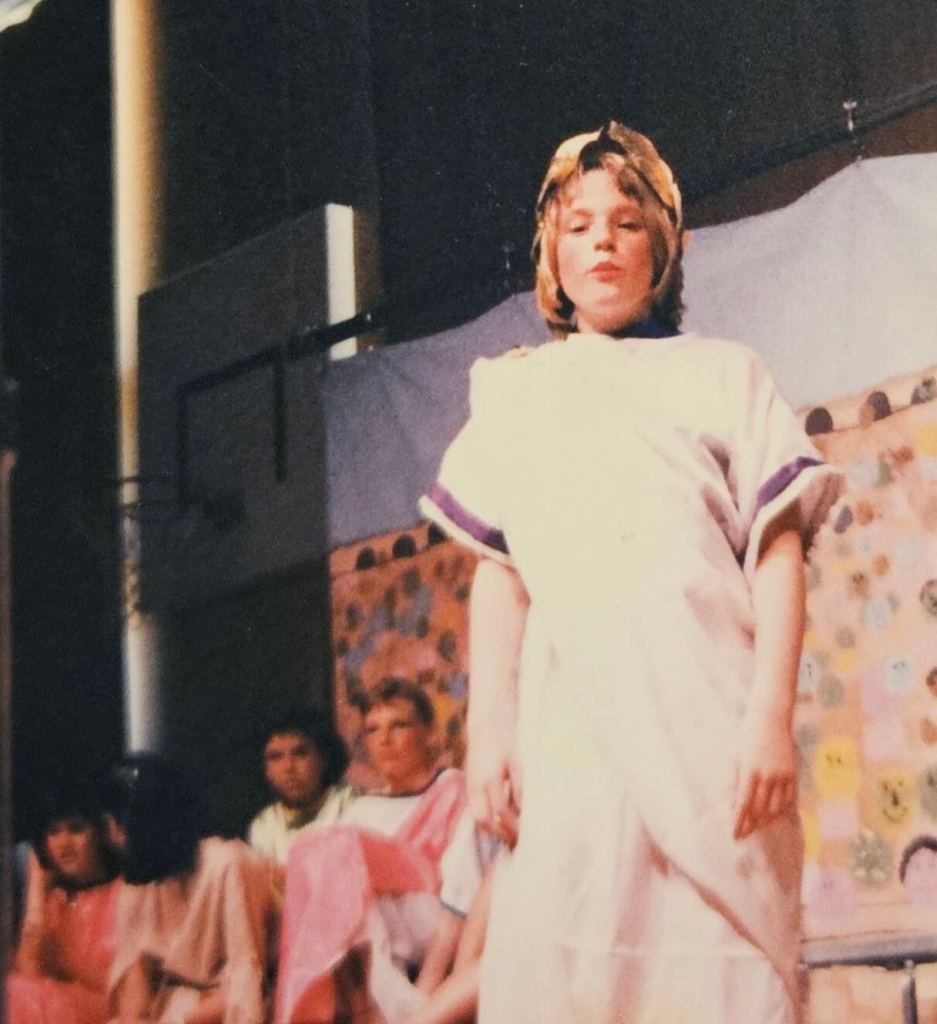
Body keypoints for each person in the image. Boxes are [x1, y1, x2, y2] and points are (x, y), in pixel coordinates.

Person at [419, 121, 844, 1023]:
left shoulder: (725, 373)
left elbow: (777, 552)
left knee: (719, 972)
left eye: (625, 220)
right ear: (549, 253)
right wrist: (486, 733)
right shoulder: (517, 390)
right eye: (576, 225)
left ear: (664, 241)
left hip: (711, 734)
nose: (602, 241)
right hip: (571, 736)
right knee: (576, 965)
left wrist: (769, 718)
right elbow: (503, 575)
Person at [274, 679, 468, 1024]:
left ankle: (395, 1011)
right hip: (376, 927)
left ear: (428, 733)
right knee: (315, 855)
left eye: (399, 726)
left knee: (342, 857)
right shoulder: (362, 808)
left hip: (442, 917)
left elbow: (462, 886)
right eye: (373, 730)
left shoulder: (452, 788)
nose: (384, 739)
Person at [104, 753, 276, 1024]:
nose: (113, 835)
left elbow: (249, 975)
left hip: (256, 995)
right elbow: (135, 969)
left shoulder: (226, 863)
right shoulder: (141, 873)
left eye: (118, 823)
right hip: (185, 1003)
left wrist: (186, 1018)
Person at [7, 779, 122, 1024]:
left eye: (76, 829)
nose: (63, 843)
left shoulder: (124, 893)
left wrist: (65, 962)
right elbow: (29, 972)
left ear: (100, 834)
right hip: (47, 1006)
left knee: (19, 996)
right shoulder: (54, 898)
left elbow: (128, 990)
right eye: (53, 832)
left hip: (107, 1010)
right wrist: (36, 894)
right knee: (14, 992)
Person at [247, 710, 354, 863]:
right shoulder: (264, 826)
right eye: (276, 757)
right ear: (266, 770)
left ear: (324, 758)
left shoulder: (350, 806)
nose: (288, 767)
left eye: (300, 754)